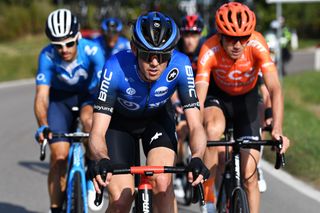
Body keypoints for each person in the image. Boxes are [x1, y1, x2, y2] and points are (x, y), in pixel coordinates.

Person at [88, 11, 210, 213]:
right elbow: (97, 131)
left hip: (157, 120)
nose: (155, 62)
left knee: (162, 184)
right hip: (119, 125)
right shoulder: (114, 68)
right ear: (134, 49)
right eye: (147, 55)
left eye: (162, 56)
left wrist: (197, 156)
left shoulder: (181, 65)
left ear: (171, 53)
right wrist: (101, 158)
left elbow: (196, 124)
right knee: (121, 200)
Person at [195, 2, 290, 213]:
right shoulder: (209, 49)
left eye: (243, 38)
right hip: (218, 99)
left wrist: (277, 129)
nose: (237, 44)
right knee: (211, 130)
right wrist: (196, 130)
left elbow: (274, 89)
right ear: (220, 35)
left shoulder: (257, 44)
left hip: (246, 100)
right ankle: (209, 197)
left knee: (250, 174)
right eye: (231, 38)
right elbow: (198, 98)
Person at [34, 9, 105, 213]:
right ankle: (55, 208)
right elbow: (41, 96)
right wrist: (43, 126)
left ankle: (92, 176)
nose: (64, 49)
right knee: (58, 156)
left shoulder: (93, 51)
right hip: (60, 102)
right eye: (58, 45)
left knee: (89, 122)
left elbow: (104, 90)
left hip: (88, 97)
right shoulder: (46, 56)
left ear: (78, 37)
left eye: (69, 43)